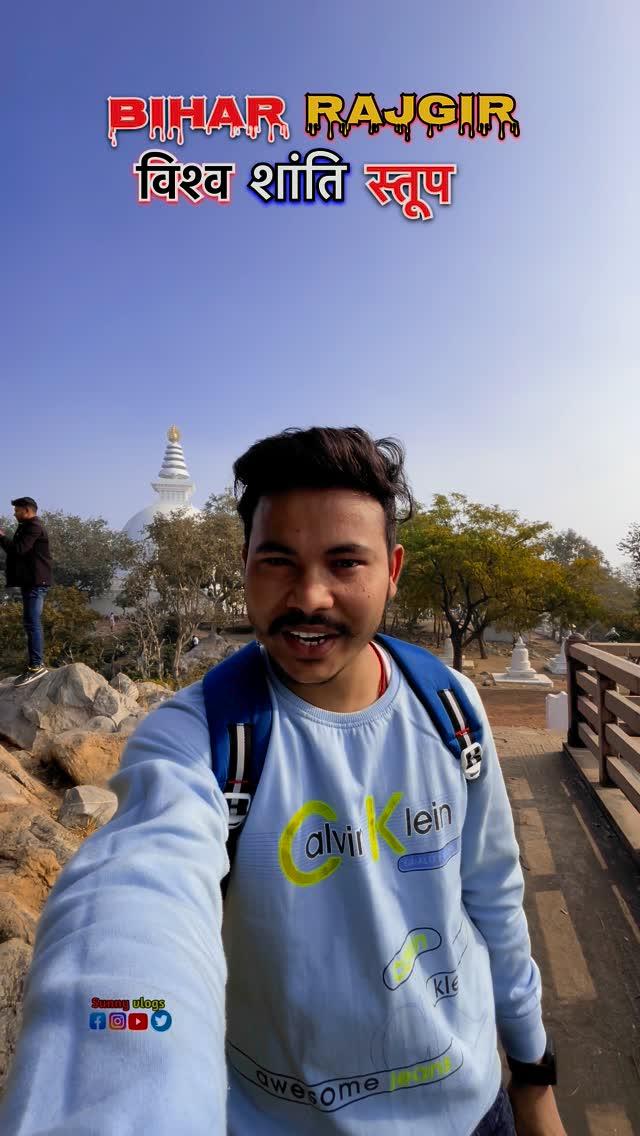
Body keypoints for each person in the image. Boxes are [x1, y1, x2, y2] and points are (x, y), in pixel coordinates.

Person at [0, 428, 566, 1136]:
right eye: (278, 561)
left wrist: (534, 1075)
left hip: (467, 1106)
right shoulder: (200, 739)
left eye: (344, 562)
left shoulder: (448, 705)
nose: (310, 597)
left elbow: (495, 895)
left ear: (392, 569)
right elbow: (133, 902)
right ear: (242, 565)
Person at [0, 496, 52, 687]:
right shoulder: (26, 527)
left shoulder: (34, 527)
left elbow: (19, 549)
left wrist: (1, 537)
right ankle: (34, 666)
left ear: (28, 511)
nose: (14, 513)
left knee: (32, 622)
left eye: (17, 510)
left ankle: (37, 666)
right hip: (30, 582)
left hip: (36, 583)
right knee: (30, 622)